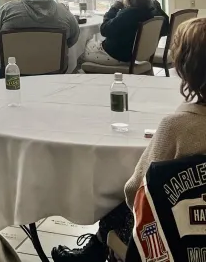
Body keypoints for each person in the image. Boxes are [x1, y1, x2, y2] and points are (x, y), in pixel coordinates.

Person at [51, 17, 206, 261]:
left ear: (186, 68)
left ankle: (96, 248)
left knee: (115, 198)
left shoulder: (175, 127)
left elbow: (136, 192)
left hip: (176, 243)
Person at [82, 0, 159, 67]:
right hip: (131, 55)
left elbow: (104, 30)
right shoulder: (150, 11)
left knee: (81, 48)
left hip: (116, 56)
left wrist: (113, 9)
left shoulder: (129, 14)